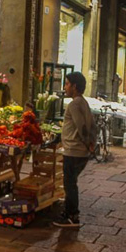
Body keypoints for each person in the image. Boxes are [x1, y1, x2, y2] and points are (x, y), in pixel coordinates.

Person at [53, 72, 96, 228]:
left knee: (70, 184)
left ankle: (72, 216)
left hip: (74, 150)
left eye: (67, 84)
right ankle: (70, 212)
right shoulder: (83, 102)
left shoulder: (74, 104)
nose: (65, 87)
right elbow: (93, 125)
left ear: (74, 86)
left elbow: (82, 127)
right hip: (80, 151)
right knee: (71, 182)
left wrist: (87, 142)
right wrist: (92, 143)